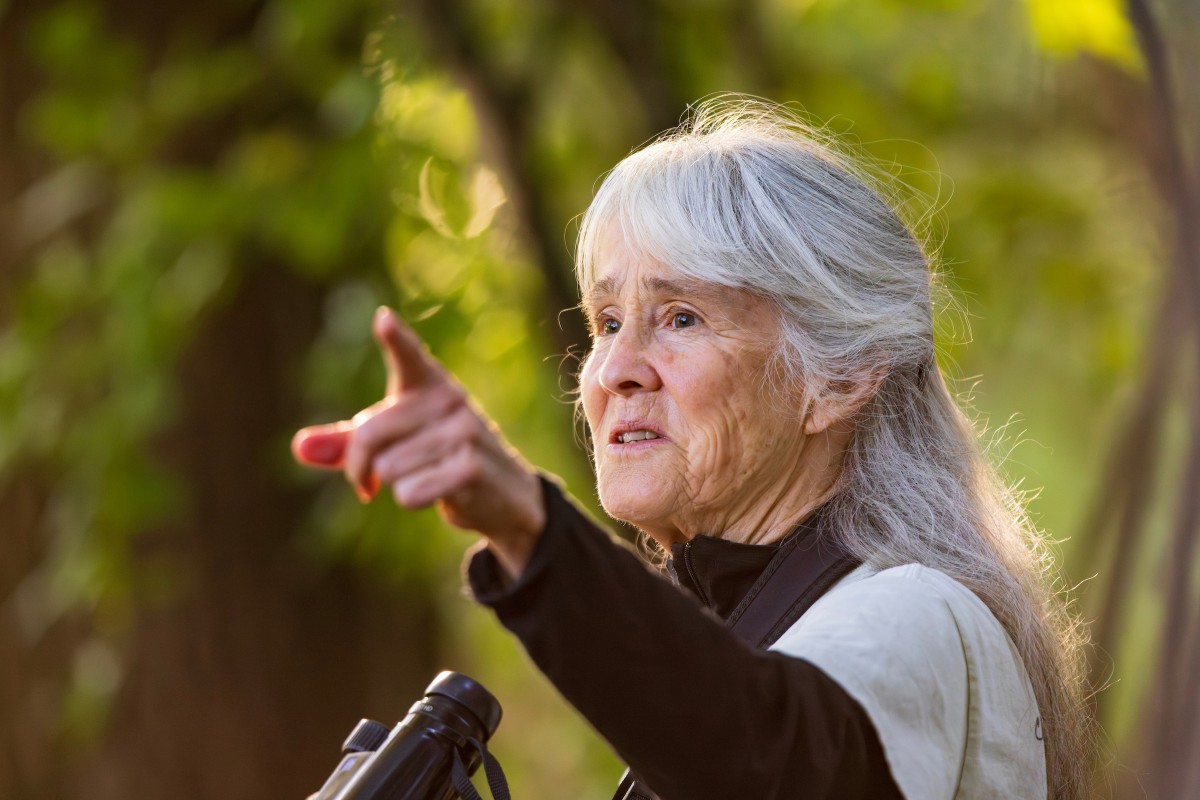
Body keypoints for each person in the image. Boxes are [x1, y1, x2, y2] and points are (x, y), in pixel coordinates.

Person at [293, 99, 1093, 799]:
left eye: (680, 317)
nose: (614, 371)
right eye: (606, 322)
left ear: (842, 379)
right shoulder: (764, 635)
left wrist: (529, 528)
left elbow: (762, 756)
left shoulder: (913, 614)